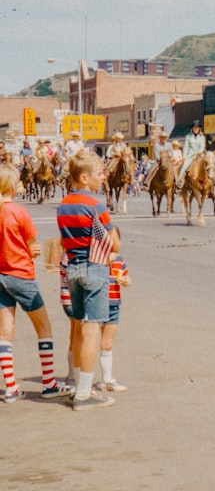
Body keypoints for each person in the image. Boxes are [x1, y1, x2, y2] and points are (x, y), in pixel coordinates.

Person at [0, 164, 72, 402]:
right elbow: (33, 248)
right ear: (12, 186)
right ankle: (49, 383)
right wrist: (36, 251)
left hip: (1, 278)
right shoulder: (19, 213)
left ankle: (11, 387)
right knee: (44, 328)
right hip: (22, 276)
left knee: (5, 332)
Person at [56, 150, 115, 411]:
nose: (103, 178)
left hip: (73, 268)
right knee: (93, 329)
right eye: (99, 174)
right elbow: (114, 242)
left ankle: (80, 384)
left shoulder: (63, 205)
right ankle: (84, 394)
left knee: (80, 327)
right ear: (84, 177)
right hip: (94, 269)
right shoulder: (95, 205)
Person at [97, 226, 130, 393]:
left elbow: (126, 278)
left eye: (116, 240)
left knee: (107, 343)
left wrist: (125, 281)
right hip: (97, 303)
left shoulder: (120, 260)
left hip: (113, 304)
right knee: (89, 340)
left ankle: (106, 380)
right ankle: (78, 379)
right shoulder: (95, 260)